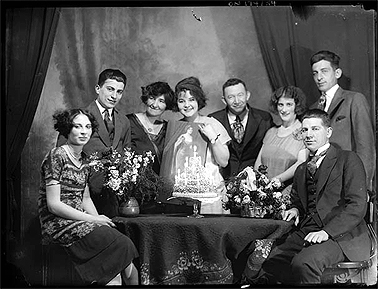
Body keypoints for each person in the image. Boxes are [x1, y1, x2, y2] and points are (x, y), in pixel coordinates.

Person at [255, 109, 370, 285]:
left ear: (329, 132)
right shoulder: (302, 169)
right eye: (305, 130)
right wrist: (294, 209)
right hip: (307, 230)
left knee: (304, 263)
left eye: (315, 129)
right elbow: (298, 202)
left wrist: (326, 232)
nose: (309, 135)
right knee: (270, 261)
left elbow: (357, 205)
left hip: (341, 236)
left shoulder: (348, 159)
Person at [39, 109, 139, 285]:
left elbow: (85, 199)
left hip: (79, 218)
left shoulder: (84, 160)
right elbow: (53, 205)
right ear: (67, 129)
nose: (84, 131)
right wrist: (92, 219)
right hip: (57, 222)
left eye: (87, 127)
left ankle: (123, 275)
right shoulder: (57, 156)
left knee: (122, 244)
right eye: (77, 126)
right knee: (118, 247)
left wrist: (98, 218)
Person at [57, 68, 131, 218]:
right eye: (110, 89)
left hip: (114, 196)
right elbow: (62, 155)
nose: (114, 96)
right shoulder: (79, 117)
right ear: (98, 88)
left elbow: (127, 155)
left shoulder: (124, 121)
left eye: (119, 91)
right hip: (84, 194)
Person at [309, 50, 375, 191]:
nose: (319, 77)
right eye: (315, 73)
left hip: (348, 180)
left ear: (337, 73)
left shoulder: (354, 100)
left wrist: (363, 187)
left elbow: (366, 147)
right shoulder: (314, 107)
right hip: (321, 185)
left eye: (324, 71)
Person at [173, 76, 231, 214]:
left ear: (198, 100)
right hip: (184, 197)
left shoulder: (212, 123)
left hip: (212, 195)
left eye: (191, 100)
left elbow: (223, 162)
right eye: (182, 101)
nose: (187, 105)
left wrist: (213, 138)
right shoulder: (176, 128)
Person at [209, 78, 274, 180]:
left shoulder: (264, 118)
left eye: (240, 95)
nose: (237, 101)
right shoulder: (214, 120)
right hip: (223, 179)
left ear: (247, 95)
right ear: (224, 100)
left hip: (254, 180)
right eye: (231, 97)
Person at [254, 86, 308, 193]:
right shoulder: (271, 132)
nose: (284, 110)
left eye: (289, 104)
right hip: (264, 191)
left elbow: (301, 163)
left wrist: (276, 181)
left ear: (297, 106)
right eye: (280, 105)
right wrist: (261, 183)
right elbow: (258, 163)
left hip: (288, 192)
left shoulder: (304, 131)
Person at [126, 81, 174, 175]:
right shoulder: (129, 121)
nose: (155, 105)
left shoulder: (169, 129)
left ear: (167, 105)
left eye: (161, 101)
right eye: (152, 98)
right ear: (146, 99)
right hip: (132, 182)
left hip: (159, 184)